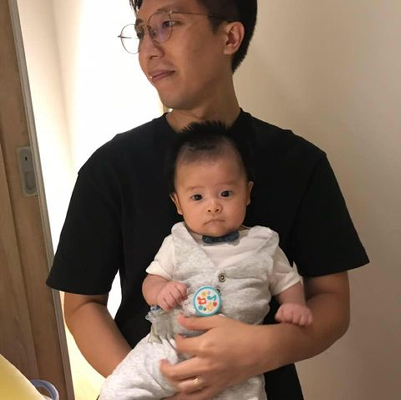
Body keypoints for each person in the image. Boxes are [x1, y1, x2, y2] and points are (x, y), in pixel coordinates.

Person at [46, 0, 369, 398]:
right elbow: (82, 305)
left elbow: (332, 300)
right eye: (142, 31)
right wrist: (162, 386)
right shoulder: (110, 168)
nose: (149, 49)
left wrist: (264, 348)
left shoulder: (299, 163)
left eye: (167, 24)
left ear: (230, 36)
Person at [99, 122, 313, 400]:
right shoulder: (176, 242)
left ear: (247, 193)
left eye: (225, 193)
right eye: (197, 197)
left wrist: (294, 305)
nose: (213, 206)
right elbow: (152, 280)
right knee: (117, 390)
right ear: (178, 203)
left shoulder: (263, 243)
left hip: (238, 358)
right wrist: (161, 292)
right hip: (168, 347)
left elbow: (288, 281)